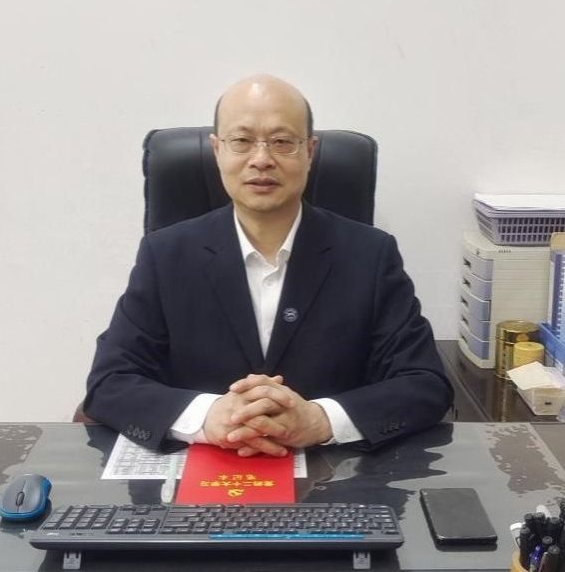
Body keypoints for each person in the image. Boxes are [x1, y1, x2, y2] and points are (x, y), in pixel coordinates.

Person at [83, 74, 453, 457]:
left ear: (309, 151)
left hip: (334, 476)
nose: (261, 159)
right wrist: (207, 416)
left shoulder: (370, 255)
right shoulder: (165, 256)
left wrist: (320, 420)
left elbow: (424, 383)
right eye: (242, 141)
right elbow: (110, 381)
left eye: (282, 142)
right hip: (197, 475)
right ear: (217, 150)